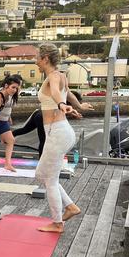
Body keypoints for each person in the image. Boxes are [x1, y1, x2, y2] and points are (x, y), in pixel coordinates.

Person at [34, 43, 88, 233]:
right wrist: (78, 106)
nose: (36, 62)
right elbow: (69, 93)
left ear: (45, 59)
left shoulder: (54, 77)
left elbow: (58, 93)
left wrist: (61, 104)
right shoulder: (61, 75)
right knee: (43, 175)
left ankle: (57, 223)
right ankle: (70, 207)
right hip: (59, 131)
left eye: (37, 58)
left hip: (58, 132)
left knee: (48, 179)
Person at [12, 90, 93, 156]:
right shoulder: (63, 104)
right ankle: (42, 161)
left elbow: (62, 111)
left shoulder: (61, 101)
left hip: (39, 113)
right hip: (41, 117)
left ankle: (9, 135)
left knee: (24, 130)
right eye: (76, 102)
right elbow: (61, 113)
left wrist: (73, 114)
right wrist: (77, 110)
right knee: (43, 141)